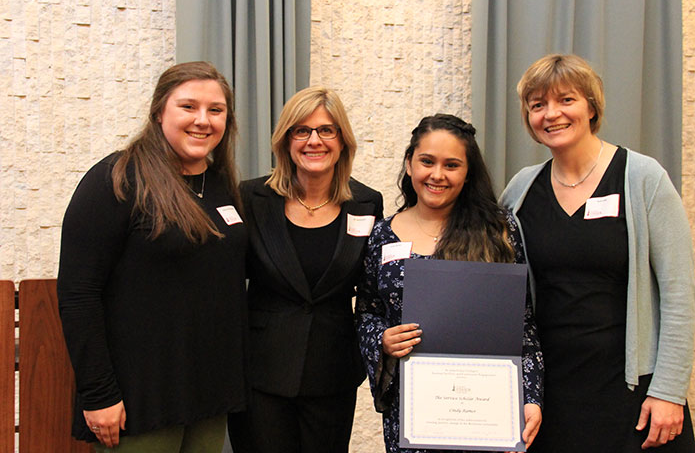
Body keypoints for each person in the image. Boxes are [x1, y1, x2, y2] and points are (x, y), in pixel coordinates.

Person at [500, 53, 695, 452]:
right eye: (537, 105)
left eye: (566, 100)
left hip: (631, 391)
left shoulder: (643, 178)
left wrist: (669, 391)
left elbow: (681, 296)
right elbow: (500, 289)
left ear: (591, 106)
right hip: (550, 394)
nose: (551, 114)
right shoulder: (520, 190)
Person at [57, 61, 248, 452]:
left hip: (208, 396)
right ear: (160, 110)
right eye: (188, 106)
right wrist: (98, 394)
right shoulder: (117, 178)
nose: (203, 120)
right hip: (137, 401)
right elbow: (79, 294)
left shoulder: (220, 184)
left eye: (216, 110)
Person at [356, 113, 544, 453]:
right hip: (412, 411)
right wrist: (382, 340)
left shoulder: (499, 231)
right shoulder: (382, 235)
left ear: (468, 172)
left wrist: (530, 398)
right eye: (427, 161)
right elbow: (367, 312)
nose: (437, 175)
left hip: (488, 411)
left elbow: (523, 325)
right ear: (410, 163)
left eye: (452, 165)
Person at [227, 86, 383, 453]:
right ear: (286, 141)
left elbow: (373, 287)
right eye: (302, 130)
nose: (315, 140)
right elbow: (226, 279)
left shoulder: (366, 202)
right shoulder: (251, 198)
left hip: (333, 374)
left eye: (326, 130)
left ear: (342, 140)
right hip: (260, 374)